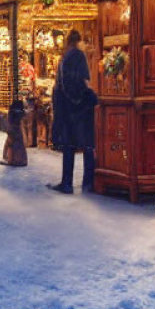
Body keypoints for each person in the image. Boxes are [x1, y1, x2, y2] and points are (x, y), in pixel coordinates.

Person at [47, 29, 98, 194]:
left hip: (67, 108)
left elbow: (65, 84)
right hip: (81, 108)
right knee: (88, 145)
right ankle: (88, 183)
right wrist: (85, 98)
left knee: (69, 145)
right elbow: (84, 80)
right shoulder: (79, 56)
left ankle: (67, 182)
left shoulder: (66, 58)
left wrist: (68, 102)